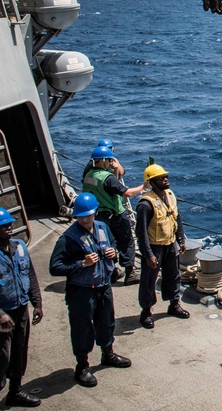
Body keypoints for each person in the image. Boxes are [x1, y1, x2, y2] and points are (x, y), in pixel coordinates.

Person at [48, 193, 130, 387]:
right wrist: (80, 264)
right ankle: (82, 366)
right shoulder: (68, 238)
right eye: (80, 216)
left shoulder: (103, 227)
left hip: (103, 286)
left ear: (95, 213)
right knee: (82, 328)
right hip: (82, 291)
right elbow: (55, 267)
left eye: (88, 215)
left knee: (107, 321)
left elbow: (113, 244)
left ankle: (107, 354)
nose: (84, 219)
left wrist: (114, 253)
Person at [0, 208, 42, 409]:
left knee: (20, 352)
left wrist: (37, 303)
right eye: (3, 225)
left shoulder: (19, 247)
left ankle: (15, 392)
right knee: (1, 357)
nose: (9, 228)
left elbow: (31, 275)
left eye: (10, 224)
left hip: (21, 310)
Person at [135, 164, 189, 329]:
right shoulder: (146, 204)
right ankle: (146, 311)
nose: (165, 180)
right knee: (148, 281)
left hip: (170, 243)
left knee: (173, 276)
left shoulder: (171, 195)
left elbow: (176, 217)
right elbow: (141, 232)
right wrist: (148, 254)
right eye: (161, 178)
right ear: (152, 182)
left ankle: (174, 304)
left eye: (165, 177)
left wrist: (181, 239)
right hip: (154, 246)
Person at [83, 146, 144, 284]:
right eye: (109, 160)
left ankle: (112, 272)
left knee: (105, 244)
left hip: (98, 217)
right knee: (126, 241)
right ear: (103, 160)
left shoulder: (88, 175)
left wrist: (115, 170)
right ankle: (130, 273)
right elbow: (127, 192)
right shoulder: (107, 177)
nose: (111, 163)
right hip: (115, 214)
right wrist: (143, 187)